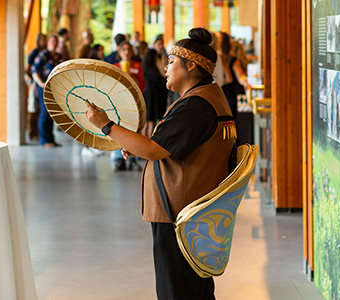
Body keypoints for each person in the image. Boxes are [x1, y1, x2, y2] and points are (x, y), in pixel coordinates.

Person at [85, 27, 236, 300]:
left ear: (190, 66)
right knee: (195, 290)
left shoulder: (196, 105)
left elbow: (155, 149)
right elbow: (168, 145)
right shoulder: (207, 96)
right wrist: (133, 144)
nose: (165, 67)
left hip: (180, 215)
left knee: (177, 291)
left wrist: (105, 125)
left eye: (170, 62)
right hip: (193, 213)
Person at [111, 41, 146, 170]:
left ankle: (133, 157)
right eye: (124, 50)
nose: (126, 52)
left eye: (128, 50)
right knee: (117, 129)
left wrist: (131, 77)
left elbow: (142, 86)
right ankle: (118, 158)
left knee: (133, 130)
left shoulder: (137, 66)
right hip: (118, 103)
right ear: (119, 52)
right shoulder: (114, 66)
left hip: (134, 103)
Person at [32, 34, 62, 147]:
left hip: (54, 88)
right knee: (44, 112)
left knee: (51, 113)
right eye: (52, 41)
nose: (54, 44)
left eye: (56, 42)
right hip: (43, 87)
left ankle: (50, 139)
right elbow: (34, 70)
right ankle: (44, 140)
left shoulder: (58, 56)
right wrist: (41, 83)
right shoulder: (43, 55)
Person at [217, 31, 251, 121]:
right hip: (216, 95)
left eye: (218, 38)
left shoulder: (231, 59)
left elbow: (240, 75)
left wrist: (245, 82)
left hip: (228, 95)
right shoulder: (211, 58)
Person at [25, 33, 47, 140]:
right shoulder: (35, 52)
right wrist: (33, 80)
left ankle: (38, 132)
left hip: (42, 82)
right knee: (33, 107)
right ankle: (32, 132)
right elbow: (29, 67)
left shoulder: (46, 53)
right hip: (35, 82)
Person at [142, 49, 168, 137]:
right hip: (154, 98)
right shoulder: (153, 70)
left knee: (146, 122)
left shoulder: (145, 68)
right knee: (151, 123)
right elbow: (161, 83)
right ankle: (149, 142)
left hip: (147, 96)